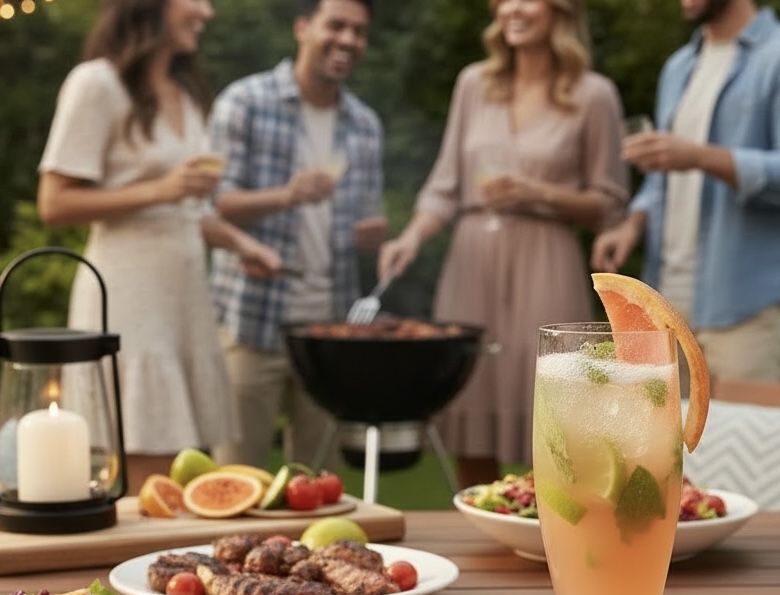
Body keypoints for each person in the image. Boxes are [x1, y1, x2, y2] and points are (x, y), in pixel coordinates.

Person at [376, 0, 628, 488]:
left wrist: (537, 193)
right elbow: (444, 187)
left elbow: (609, 202)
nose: (512, 8)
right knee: (473, 404)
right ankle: (480, 527)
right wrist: (411, 236)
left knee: (555, 409)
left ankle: (552, 541)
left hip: (546, 259)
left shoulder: (594, 95)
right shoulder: (474, 83)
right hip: (471, 262)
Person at [37, 0, 282, 495]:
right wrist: (162, 188)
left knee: (183, 475)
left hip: (185, 304)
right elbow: (55, 201)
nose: (208, 13)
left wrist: (238, 242)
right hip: (130, 301)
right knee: (142, 481)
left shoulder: (186, 96)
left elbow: (185, 210)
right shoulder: (96, 84)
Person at [208, 0, 386, 470]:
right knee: (236, 472)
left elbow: (364, 222)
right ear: (303, 28)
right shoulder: (244, 102)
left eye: (359, 31)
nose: (348, 39)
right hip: (250, 320)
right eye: (337, 25)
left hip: (328, 329)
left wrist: (373, 237)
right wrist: (285, 195)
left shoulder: (365, 125)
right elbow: (212, 204)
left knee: (316, 482)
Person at [592, 0, 780, 386]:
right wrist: (634, 222)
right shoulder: (678, 67)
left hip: (747, 305)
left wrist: (698, 156)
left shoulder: (774, 56)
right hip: (666, 298)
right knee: (664, 442)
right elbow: (662, 180)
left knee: (746, 443)